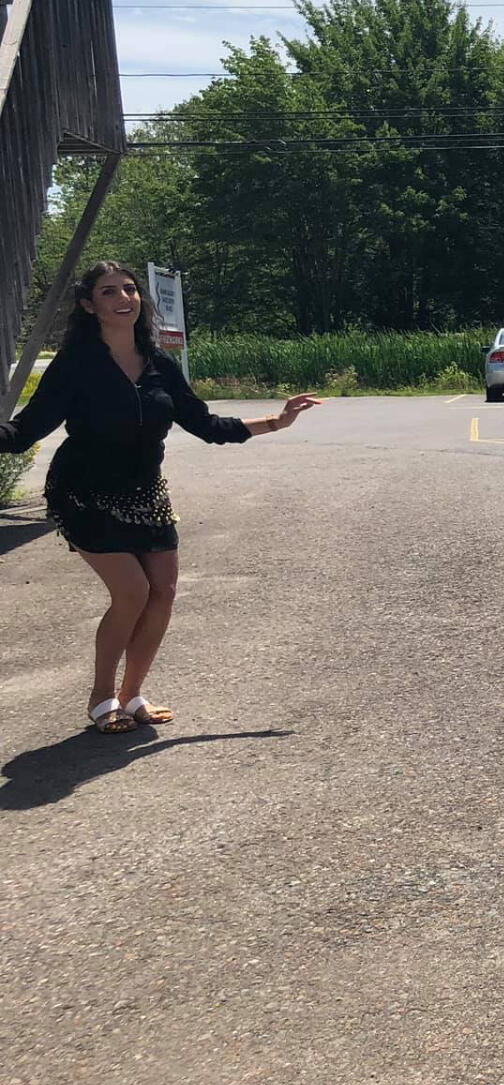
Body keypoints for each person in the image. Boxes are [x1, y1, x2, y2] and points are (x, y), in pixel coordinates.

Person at [0, 260, 320, 732]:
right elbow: (25, 431)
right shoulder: (76, 365)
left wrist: (277, 421)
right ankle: (101, 696)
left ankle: (132, 695)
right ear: (88, 305)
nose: (124, 298)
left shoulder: (159, 364)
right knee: (132, 592)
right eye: (109, 292)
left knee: (163, 592)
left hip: (146, 493)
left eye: (130, 289)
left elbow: (206, 425)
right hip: (84, 493)